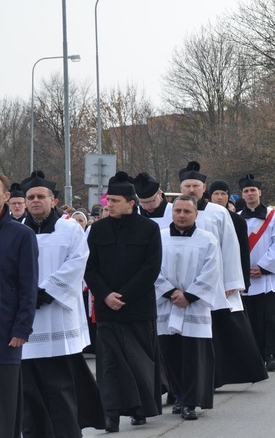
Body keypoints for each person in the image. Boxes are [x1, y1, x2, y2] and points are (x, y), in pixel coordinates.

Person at [18, 171, 105, 436]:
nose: (35, 201)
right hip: (25, 320)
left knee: (59, 385)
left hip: (57, 314)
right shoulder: (18, 230)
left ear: (53, 200)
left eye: (40, 196)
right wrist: (24, 297)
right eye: (30, 197)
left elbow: (78, 263)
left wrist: (46, 292)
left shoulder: (70, 229)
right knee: (28, 388)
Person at [84, 171, 162, 432]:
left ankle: (139, 408)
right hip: (108, 310)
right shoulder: (97, 229)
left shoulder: (149, 229)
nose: (109, 205)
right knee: (109, 365)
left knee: (138, 363)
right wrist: (106, 294)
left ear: (131, 203)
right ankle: (111, 414)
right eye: (108, 200)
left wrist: (124, 296)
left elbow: (151, 269)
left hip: (138, 308)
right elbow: (89, 268)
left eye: (115, 201)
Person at [179, 163, 267, 385]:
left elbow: (230, 247)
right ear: (181, 187)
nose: (191, 189)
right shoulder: (177, 211)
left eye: (195, 185)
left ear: (203, 188)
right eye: (187, 185)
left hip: (217, 281)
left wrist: (233, 281)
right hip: (184, 282)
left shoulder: (218, 213)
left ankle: (224, 374)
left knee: (225, 329)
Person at [155, 195, 222, 421]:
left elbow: (212, 271)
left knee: (194, 356)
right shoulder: (159, 238)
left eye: (187, 211)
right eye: (178, 211)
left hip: (194, 306)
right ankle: (178, 394)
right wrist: (171, 292)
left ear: (196, 214)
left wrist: (190, 295)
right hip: (167, 303)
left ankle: (191, 402)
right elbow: (152, 268)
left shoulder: (208, 239)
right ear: (172, 213)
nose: (182, 215)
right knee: (170, 353)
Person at [238, 174, 275, 370]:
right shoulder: (237, 217)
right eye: (246, 191)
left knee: (271, 318)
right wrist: (244, 269)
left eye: (253, 190)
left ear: (260, 192)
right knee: (252, 318)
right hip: (247, 277)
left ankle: (271, 354)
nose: (250, 194)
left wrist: (262, 267)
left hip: (268, 276)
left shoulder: (273, 215)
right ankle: (256, 355)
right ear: (242, 195)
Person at [0, 173, 39, 438]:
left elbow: (28, 286)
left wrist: (22, 327)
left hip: (5, 332)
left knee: (5, 407)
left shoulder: (21, 235)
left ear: (6, 196)